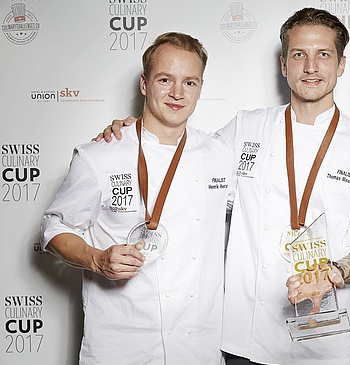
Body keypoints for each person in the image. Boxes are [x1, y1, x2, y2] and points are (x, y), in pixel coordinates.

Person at [98, 8, 350, 365]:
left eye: (323, 55)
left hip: (323, 337)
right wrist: (136, 132)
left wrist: (334, 273)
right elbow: (177, 156)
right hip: (246, 337)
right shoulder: (245, 128)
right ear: (284, 65)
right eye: (299, 55)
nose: (311, 67)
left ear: (341, 64)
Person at [40, 32, 235, 364]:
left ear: (200, 87)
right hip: (121, 345)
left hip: (197, 347)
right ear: (144, 84)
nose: (177, 93)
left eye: (190, 82)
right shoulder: (99, 155)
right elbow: (55, 228)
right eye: (165, 79)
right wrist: (97, 259)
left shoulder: (220, 154)